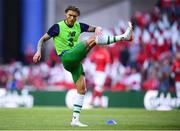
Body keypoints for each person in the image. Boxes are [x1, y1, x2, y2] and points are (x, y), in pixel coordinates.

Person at [33, 5, 133, 127]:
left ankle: (75, 120)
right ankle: (123, 37)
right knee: (93, 40)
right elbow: (42, 39)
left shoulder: (79, 26)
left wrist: (97, 28)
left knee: (82, 90)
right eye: (70, 15)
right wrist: (38, 51)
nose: (72, 18)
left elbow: (93, 28)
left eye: (74, 16)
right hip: (67, 57)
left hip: (75, 61)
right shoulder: (57, 27)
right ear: (66, 14)